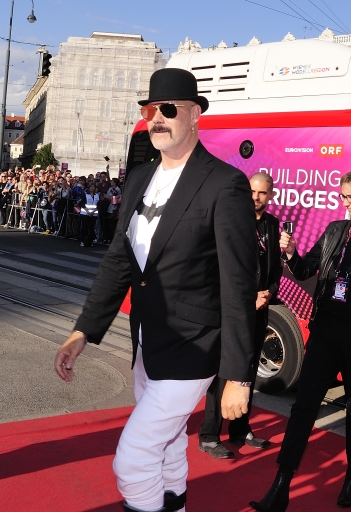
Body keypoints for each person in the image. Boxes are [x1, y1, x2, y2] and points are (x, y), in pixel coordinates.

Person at [54, 68, 256, 512]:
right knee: (167, 448)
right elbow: (118, 262)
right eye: (151, 110)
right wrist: (83, 331)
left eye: (169, 110)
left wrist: (239, 376)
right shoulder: (139, 178)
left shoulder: (225, 184)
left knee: (133, 457)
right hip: (147, 343)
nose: (158, 119)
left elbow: (239, 286)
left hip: (194, 346)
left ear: (195, 116)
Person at [250, 168, 351, 512]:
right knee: (303, 406)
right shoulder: (336, 230)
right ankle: (282, 483)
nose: (347, 203)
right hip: (325, 333)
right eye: (343, 196)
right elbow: (307, 270)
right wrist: (291, 253)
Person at [199, 171, 282, 458]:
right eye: (252, 192)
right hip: (233, 310)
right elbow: (219, 269)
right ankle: (209, 434)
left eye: (262, 193)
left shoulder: (272, 225)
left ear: (270, 195)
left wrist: (268, 292)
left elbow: (275, 270)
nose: (256, 198)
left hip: (260, 309)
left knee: (248, 370)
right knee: (223, 371)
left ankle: (239, 428)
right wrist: (248, 297)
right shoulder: (233, 223)